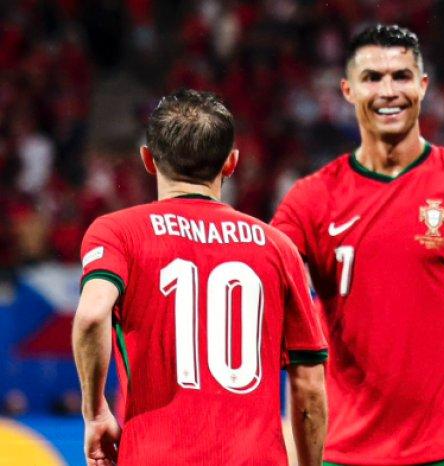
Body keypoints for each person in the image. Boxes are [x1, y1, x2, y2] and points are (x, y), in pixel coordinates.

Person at [271, 24, 444, 466]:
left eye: (401, 76)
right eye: (372, 78)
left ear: (423, 85)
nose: (389, 91)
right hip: (346, 452)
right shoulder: (310, 200)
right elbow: (263, 299)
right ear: (348, 90)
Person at [72, 89, 328, 466]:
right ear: (231, 162)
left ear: (148, 159)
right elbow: (309, 388)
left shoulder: (116, 233)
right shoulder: (278, 248)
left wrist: (95, 414)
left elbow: (92, 315)